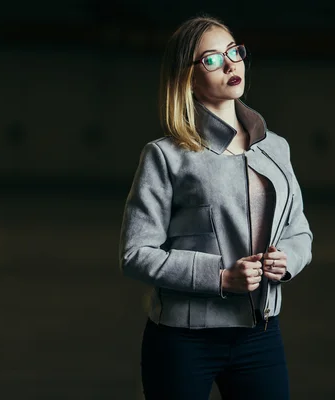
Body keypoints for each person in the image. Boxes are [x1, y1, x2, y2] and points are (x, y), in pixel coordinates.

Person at [119, 15, 313, 400]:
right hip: (183, 340)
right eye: (211, 59)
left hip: (260, 335)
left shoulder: (276, 148)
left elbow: (299, 229)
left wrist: (287, 258)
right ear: (187, 78)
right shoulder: (165, 156)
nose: (230, 64)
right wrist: (221, 278)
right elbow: (135, 253)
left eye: (233, 52)